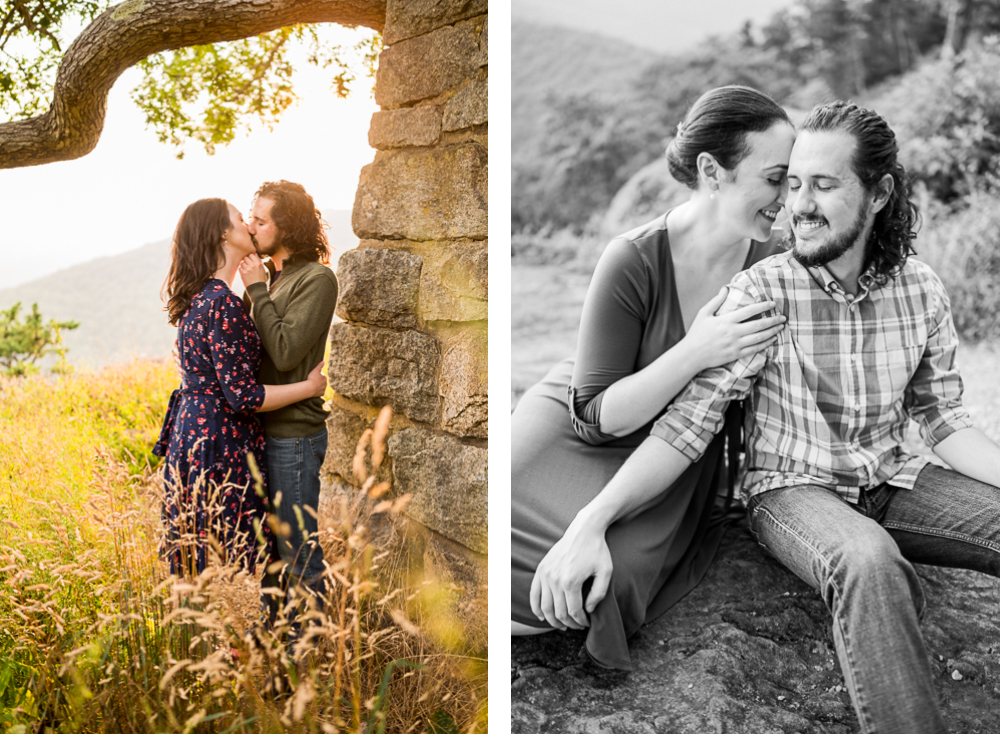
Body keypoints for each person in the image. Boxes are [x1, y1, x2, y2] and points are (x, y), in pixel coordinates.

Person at [533, 98, 1000, 733]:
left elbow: (942, 416)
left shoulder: (921, 290)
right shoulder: (760, 290)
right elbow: (685, 428)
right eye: (792, 182)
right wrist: (593, 520)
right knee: (868, 561)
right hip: (791, 491)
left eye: (823, 185)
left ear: (880, 192)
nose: (797, 205)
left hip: (894, 481)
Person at [511, 85, 793, 669]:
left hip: (673, 452)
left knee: (598, 588)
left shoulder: (774, 269)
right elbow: (593, 416)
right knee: (490, 525)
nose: (785, 198)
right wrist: (696, 350)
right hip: (584, 420)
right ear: (712, 171)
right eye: (774, 178)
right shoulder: (633, 257)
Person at [154, 198, 327, 576]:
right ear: (222, 234)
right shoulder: (224, 304)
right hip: (219, 438)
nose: (249, 225)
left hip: (195, 432)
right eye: (240, 219)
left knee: (205, 553)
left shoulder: (202, 298)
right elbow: (243, 395)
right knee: (231, 553)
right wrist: (310, 387)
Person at [237, 180, 339, 639]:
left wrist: (255, 290)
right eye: (250, 216)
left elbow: (282, 351)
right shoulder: (272, 279)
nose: (250, 225)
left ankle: (316, 652)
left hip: (293, 436)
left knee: (298, 549)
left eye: (260, 219)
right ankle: (276, 638)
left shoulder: (316, 279)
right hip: (264, 430)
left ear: (288, 227)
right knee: (273, 550)